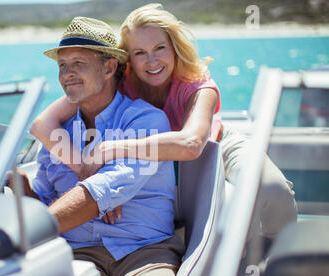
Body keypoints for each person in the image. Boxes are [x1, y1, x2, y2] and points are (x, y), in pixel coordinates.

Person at [30, 3, 298, 239]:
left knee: (273, 190)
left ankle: (278, 261)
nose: (152, 61)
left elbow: (191, 143)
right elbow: (42, 125)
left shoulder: (197, 85)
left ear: (174, 49)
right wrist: (85, 169)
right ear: (126, 60)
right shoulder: (118, 83)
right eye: (139, 53)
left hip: (213, 148)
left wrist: (112, 149)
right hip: (155, 160)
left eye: (160, 48)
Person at [0, 16, 184, 276]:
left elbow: (106, 187)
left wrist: (20, 238)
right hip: (75, 253)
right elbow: (48, 202)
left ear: (109, 67)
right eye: (62, 66)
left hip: (143, 251)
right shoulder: (58, 135)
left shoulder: (146, 120)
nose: (67, 74)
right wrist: (20, 185)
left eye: (78, 64)